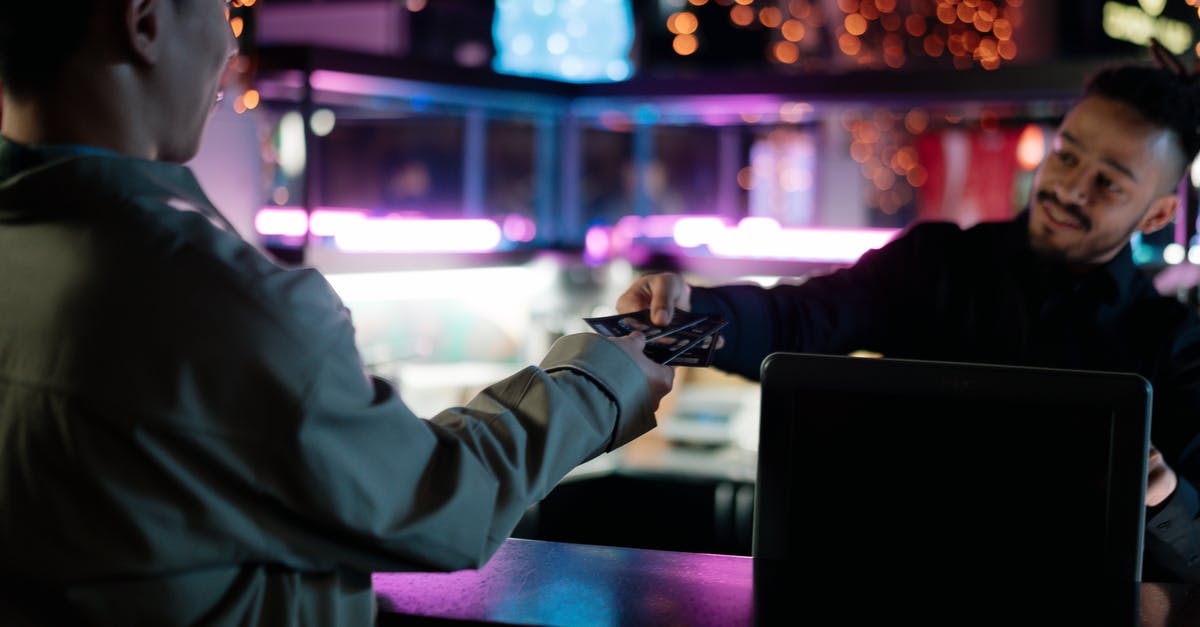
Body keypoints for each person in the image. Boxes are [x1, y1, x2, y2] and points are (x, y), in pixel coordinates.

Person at [0, 1, 675, 624]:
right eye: (224, 7)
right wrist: (604, 377)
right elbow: (444, 502)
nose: (233, 47)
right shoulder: (217, 301)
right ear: (143, 21)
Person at [618, 57, 1200, 583]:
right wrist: (688, 314)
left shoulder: (1176, 345)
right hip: (891, 588)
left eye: (1108, 183)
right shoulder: (937, 263)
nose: (1071, 189)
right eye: (1067, 155)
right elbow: (805, 320)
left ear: (1159, 213)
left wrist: (1165, 494)